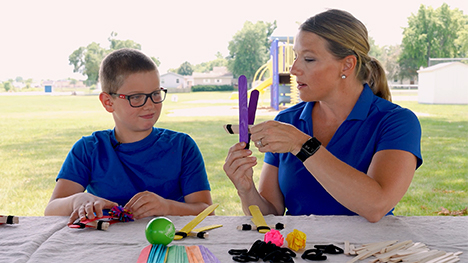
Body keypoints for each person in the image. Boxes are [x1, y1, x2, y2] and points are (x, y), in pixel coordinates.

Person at [224, 9, 422, 223]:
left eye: (308, 59)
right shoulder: (287, 122)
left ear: (347, 64)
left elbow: (376, 206)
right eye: (296, 57)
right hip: (299, 252)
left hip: (368, 252)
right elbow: (271, 215)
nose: (294, 69)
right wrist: (246, 190)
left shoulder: (396, 122)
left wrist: (302, 144)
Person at [45, 48, 212, 224]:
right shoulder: (89, 149)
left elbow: (206, 211)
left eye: (155, 94)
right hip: (106, 245)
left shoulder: (182, 146)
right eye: (137, 97)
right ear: (108, 102)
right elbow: (51, 210)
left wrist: (167, 207)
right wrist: (76, 200)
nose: (150, 105)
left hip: (168, 246)